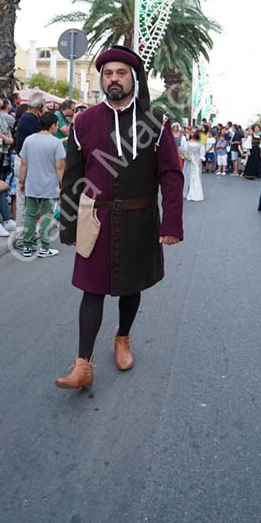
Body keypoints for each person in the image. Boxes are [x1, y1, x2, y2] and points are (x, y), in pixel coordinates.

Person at [56, 45, 183, 390]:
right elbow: (72, 178)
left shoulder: (155, 122)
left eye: (121, 73)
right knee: (91, 290)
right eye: (108, 73)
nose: (114, 79)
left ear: (134, 78)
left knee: (132, 286)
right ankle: (83, 364)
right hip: (95, 220)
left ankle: (122, 337)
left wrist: (171, 222)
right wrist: (68, 223)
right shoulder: (83, 122)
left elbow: (171, 174)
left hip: (140, 219)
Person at [19, 112, 65, 258]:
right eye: (57, 125)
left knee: (30, 215)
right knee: (47, 216)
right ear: (52, 125)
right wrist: (62, 185)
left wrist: (22, 181)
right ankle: (44, 248)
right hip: (49, 186)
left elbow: (23, 163)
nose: (57, 127)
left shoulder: (29, 140)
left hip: (31, 183)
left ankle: (27, 246)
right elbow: (59, 167)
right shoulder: (55, 142)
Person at [14, 91, 44, 239]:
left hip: (25, 163)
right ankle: (22, 234)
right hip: (24, 164)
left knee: (28, 202)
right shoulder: (30, 119)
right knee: (24, 202)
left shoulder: (26, 118)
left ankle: (27, 233)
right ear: (39, 106)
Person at [186, 130, 205, 202]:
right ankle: (190, 193)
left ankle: (197, 194)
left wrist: (200, 160)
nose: (192, 134)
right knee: (190, 177)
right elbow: (185, 151)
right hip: (189, 161)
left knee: (196, 176)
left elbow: (202, 153)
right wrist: (186, 156)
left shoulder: (200, 143)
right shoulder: (188, 142)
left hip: (196, 162)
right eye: (191, 132)